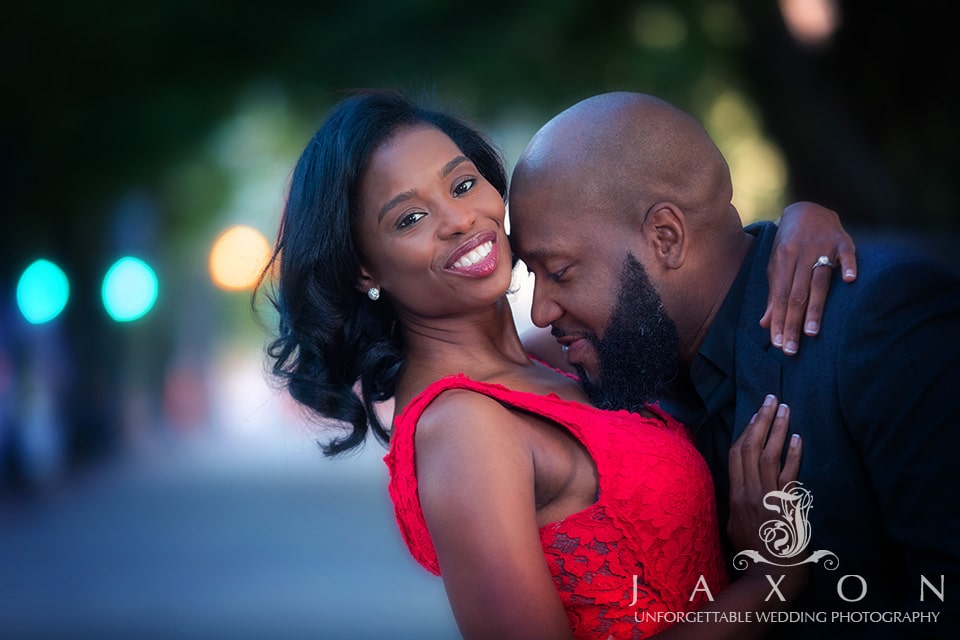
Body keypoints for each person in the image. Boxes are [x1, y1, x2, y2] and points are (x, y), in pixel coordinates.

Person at [256, 89, 854, 639]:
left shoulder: (553, 361)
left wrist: (794, 227)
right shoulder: (464, 429)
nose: (460, 220)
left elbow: (684, 282)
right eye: (409, 218)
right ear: (365, 269)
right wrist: (771, 581)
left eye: (462, 185)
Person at [507, 91, 960, 639]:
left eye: (557, 271)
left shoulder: (879, 325)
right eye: (530, 275)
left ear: (665, 238)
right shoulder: (636, 360)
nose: (540, 309)